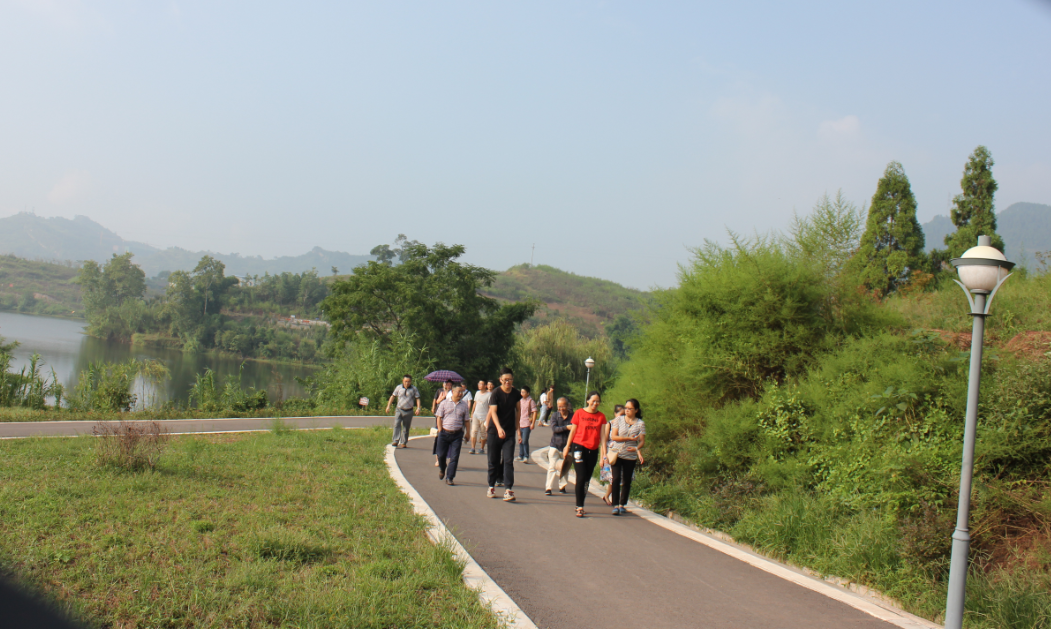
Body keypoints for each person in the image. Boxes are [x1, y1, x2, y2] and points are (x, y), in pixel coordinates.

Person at [562, 391, 608, 518]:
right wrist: (567, 446)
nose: (595, 403)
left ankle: (581, 502)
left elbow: (603, 437)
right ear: (588, 400)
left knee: (587, 479)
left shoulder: (601, 417)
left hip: (593, 450)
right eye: (593, 400)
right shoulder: (579, 413)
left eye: (597, 401)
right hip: (579, 447)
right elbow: (573, 431)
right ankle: (579, 506)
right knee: (581, 476)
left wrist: (604, 455)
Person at [486, 368, 522, 502]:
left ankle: (508, 489)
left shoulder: (516, 394)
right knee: (493, 460)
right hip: (494, 431)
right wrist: (499, 428)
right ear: (500, 380)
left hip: (509, 433)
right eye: (505, 380)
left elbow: (518, 410)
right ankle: (491, 486)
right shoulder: (495, 393)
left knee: (508, 461)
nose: (508, 382)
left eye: (510, 380)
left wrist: (517, 428)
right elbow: (493, 412)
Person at [609, 398, 646, 515]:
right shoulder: (619, 419)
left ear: (636, 410)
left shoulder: (640, 424)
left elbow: (642, 441)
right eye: (626, 408)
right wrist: (628, 438)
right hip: (617, 453)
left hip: (630, 456)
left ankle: (622, 504)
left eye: (630, 408)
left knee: (627, 480)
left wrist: (636, 448)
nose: (627, 410)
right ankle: (615, 504)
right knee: (615, 479)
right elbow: (614, 436)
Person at [435, 384, 471, 486]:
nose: (460, 394)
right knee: (441, 455)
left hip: (457, 435)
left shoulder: (464, 405)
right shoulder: (444, 403)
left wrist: (468, 433)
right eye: (458, 392)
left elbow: (467, 420)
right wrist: (440, 429)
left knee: (454, 457)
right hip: (444, 433)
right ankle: (442, 468)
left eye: (461, 392)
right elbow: (439, 417)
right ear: (453, 392)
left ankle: (450, 477)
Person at [537, 397, 573, 495]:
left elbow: (575, 430)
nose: (561, 409)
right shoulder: (555, 416)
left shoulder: (572, 417)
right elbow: (554, 429)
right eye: (559, 406)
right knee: (552, 467)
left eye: (563, 406)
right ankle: (548, 488)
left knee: (565, 468)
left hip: (567, 447)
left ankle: (562, 487)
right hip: (555, 445)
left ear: (567, 406)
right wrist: (566, 427)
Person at [384, 374, 421, 448]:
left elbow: (417, 398)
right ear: (403, 381)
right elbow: (393, 396)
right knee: (396, 424)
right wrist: (388, 406)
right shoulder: (398, 387)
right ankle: (395, 440)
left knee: (406, 427)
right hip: (399, 409)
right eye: (405, 381)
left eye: (408, 381)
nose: (407, 383)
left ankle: (403, 442)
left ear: (411, 381)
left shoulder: (414, 389)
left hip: (409, 410)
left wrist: (418, 408)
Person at [603, 404, 625, 506]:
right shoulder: (610, 424)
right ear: (615, 414)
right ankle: (610, 497)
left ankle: (611, 498)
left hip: (623, 455)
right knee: (613, 478)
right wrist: (604, 456)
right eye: (620, 414)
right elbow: (604, 441)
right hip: (611, 455)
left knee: (620, 478)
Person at [432, 379, 456, 466]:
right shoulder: (440, 391)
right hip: (440, 416)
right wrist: (443, 397)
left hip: (449, 417)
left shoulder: (454, 393)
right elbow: (437, 401)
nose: (448, 386)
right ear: (444, 385)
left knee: (449, 439)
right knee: (439, 437)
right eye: (447, 385)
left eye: (450, 385)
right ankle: (438, 459)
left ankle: (447, 459)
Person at [469, 380, 492, 455]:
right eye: (479, 383)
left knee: (483, 433)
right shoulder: (477, 393)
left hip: (484, 416)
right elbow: (475, 403)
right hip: (476, 415)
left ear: (485, 386)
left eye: (481, 384)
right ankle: (473, 448)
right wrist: (472, 413)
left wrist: (489, 417)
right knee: (474, 431)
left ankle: (482, 448)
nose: (479, 385)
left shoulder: (489, 395)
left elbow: (490, 406)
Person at [517, 386, 537, 463]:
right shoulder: (520, 401)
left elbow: (534, 412)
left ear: (528, 393)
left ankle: (526, 456)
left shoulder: (530, 401)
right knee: (520, 439)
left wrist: (533, 423)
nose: (522, 393)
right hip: (520, 423)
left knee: (525, 440)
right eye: (521, 392)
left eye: (524, 392)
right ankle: (521, 455)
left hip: (527, 423)